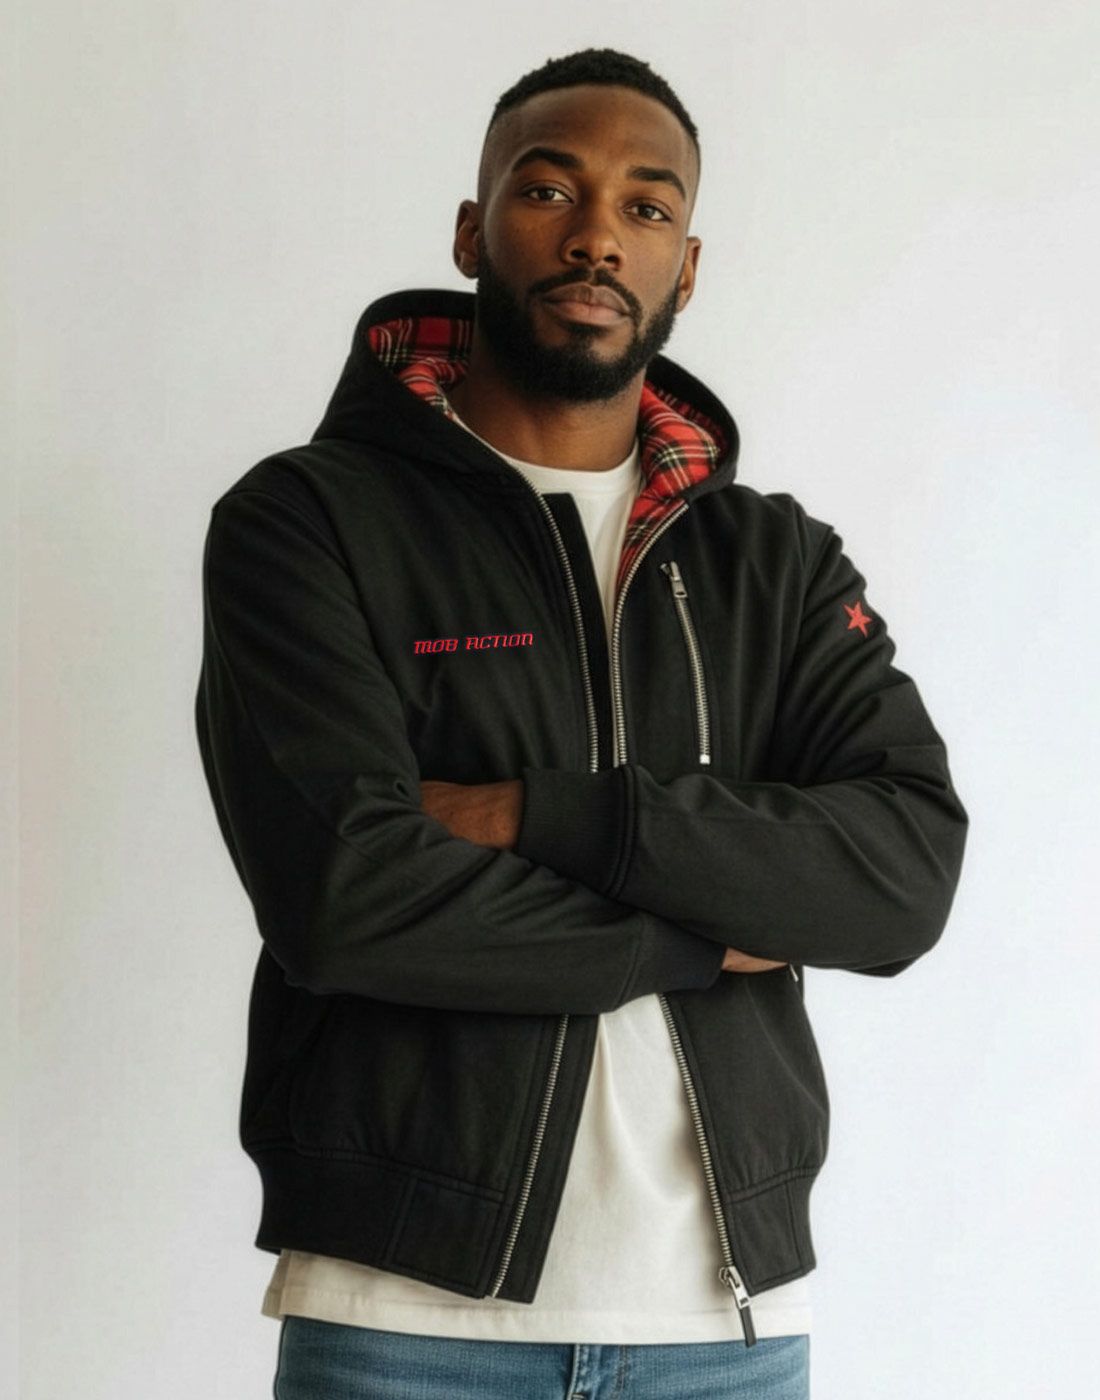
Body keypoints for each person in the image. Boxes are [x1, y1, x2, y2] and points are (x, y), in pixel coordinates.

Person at [194, 46, 968, 1400]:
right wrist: (705, 933)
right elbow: (347, 896)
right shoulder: (310, 523)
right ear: (471, 230)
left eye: (646, 206)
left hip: (726, 1335)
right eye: (548, 189)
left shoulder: (772, 562)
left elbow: (899, 875)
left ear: (687, 267)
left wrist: (535, 815)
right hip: (403, 1319)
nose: (598, 234)